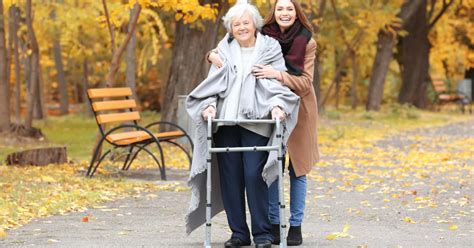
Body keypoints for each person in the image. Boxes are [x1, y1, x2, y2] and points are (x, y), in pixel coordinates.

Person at [185, 1, 301, 248]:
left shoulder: (270, 48)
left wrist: (277, 106)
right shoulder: (222, 49)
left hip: (256, 121)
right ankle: (238, 233)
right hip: (226, 121)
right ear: (230, 28)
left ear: (255, 24)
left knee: (253, 175)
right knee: (231, 178)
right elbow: (212, 84)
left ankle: (263, 234)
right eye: (236, 24)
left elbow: (275, 85)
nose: (241, 27)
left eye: (245, 22)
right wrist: (209, 105)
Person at [208, 0, 320, 246]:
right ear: (273, 13)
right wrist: (212, 55)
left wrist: (278, 77)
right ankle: (264, 227)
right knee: (266, 170)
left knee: (294, 170)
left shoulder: (304, 42)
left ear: (297, 12)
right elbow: (220, 64)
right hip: (253, 113)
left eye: (290, 8)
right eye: (280, 8)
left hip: (295, 110)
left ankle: (293, 226)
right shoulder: (260, 37)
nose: (285, 13)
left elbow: (303, 83)